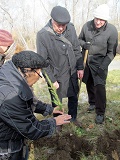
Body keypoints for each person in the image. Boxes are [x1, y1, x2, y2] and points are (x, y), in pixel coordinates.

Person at [0, 50, 71, 160]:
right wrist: (55, 122)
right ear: (28, 72)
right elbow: (31, 129)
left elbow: (26, 100)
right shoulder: (11, 96)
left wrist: (49, 109)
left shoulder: (11, 76)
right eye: (39, 74)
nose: (39, 78)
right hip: (6, 149)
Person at [36, 6, 84, 127]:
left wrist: (80, 67)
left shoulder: (71, 28)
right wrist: (51, 80)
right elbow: (43, 61)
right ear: (52, 20)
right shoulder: (43, 35)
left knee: (74, 96)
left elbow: (76, 49)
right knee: (57, 101)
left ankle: (73, 117)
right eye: (58, 25)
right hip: (56, 74)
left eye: (64, 25)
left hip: (71, 71)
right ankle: (58, 122)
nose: (61, 28)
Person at [78, 4, 118, 124]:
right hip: (86, 60)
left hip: (101, 62)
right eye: (97, 18)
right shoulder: (87, 26)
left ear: (105, 20)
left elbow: (112, 52)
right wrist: (84, 45)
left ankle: (100, 112)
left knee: (99, 87)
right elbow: (79, 39)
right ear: (94, 17)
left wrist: (103, 66)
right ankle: (92, 103)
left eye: (101, 20)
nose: (98, 22)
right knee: (89, 82)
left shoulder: (111, 30)